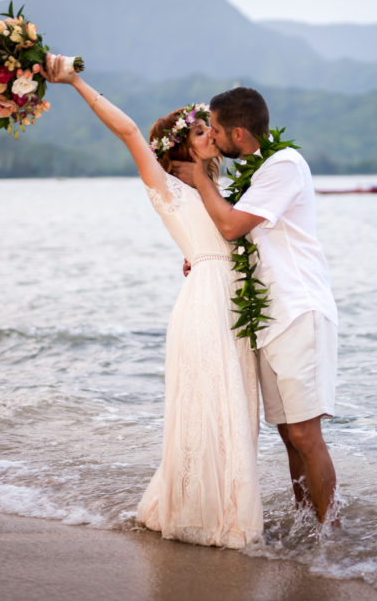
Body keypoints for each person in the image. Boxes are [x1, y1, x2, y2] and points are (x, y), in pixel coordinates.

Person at [43, 55, 262, 548]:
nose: (211, 134)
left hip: (233, 302)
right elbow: (128, 132)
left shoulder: (219, 189)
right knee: (208, 404)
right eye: (201, 130)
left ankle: (227, 510)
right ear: (181, 145)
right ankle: (203, 515)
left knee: (234, 408)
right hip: (205, 302)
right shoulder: (165, 187)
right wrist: (76, 80)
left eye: (211, 129)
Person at [184, 87, 340, 524]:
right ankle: (306, 526)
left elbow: (232, 225)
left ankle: (333, 539)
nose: (211, 138)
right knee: (289, 434)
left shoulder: (284, 166)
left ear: (237, 131)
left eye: (215, 130)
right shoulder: (255, 174)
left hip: (298, 310)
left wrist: (200, 176)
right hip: (270, 317)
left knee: (306, 433)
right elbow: (235, 232)